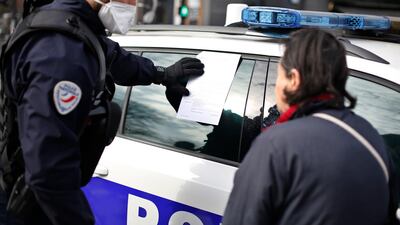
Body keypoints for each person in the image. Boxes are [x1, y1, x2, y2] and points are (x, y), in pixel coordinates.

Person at [0, 0, 204, 224]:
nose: (133, 5)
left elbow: (114, 57)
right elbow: (49, 170)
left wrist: (162, 74)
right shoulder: (60, 55)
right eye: (129, 0)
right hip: (28, 203)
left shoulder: (73, 26)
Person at [222, 28, 399, 225]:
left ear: (294, 80)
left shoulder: (276, 144)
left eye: (279, 76)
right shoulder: (371, 137)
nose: (276, 85)